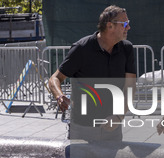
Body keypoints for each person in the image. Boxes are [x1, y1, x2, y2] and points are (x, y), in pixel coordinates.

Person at [48, 5, 136, 142]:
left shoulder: (127, 48)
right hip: (82, 128)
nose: (128, 27)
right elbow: (55, 78)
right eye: (125, 23)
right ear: (110, 26)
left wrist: (118, 117)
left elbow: (130, 88)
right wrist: (59, 96)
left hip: (113, 127)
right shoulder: (82, 48)